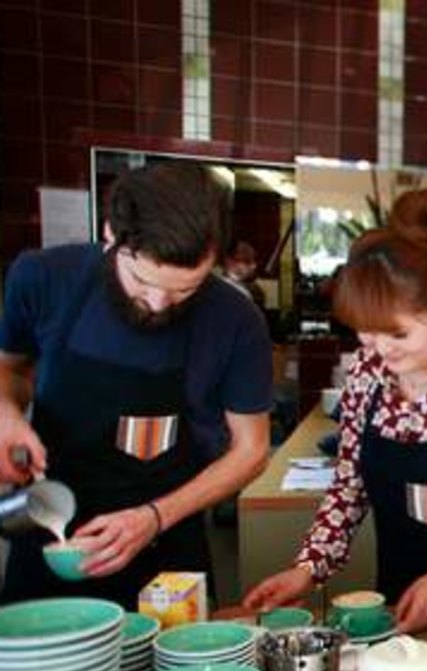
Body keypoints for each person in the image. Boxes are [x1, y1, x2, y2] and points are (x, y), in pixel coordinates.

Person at [244, 188, 427, 634]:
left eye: (398, 335)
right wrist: (308, 568)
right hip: (396, 603)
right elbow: (349, 487)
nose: (382, 351)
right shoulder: (369, 373)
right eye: (367, 337)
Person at [0, 160, 272, 610]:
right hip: (50, 527)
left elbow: (251, 450)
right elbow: (9, 370)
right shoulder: (44, 278)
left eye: (186, 289)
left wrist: (155, 517)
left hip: (168, 543)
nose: (160, 304)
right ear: (111, 234)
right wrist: (7, 416)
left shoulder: (236, 320)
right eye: (144, 282)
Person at [222, 239, 267, 312]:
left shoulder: (252, 288)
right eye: (247, 261)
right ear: (230, 262)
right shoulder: (235, 291)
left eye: (254, 260)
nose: (254, 266)